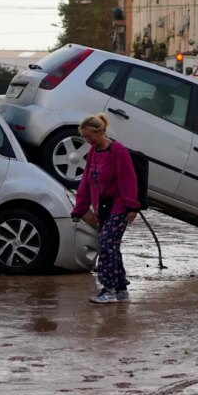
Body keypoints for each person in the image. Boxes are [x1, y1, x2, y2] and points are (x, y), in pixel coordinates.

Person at [70, 113, 139, 304]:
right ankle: (121, 290)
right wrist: (79, 209)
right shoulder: (93, 153)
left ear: (100, 132)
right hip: (103, 210)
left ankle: (108, 288)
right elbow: (86, 182)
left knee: (107, 246)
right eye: (84, 137)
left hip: (119, 207)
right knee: (112, 248)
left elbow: (128, 179)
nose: (87, 140)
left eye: (89, 136)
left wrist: (132, 207)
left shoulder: (118, 151)